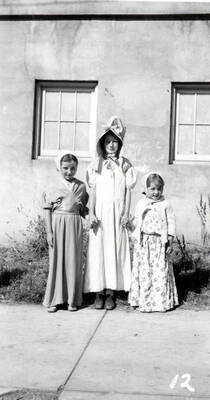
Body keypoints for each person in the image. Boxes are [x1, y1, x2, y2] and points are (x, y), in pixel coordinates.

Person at [84, 116, 136, 310]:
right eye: (107, 141)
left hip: (117, 213)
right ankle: (98, 291)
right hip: (100, 214)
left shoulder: (125, 164)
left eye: (114, 141)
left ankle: (111, 292)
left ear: (119, 143)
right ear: (102, 144)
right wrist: (92, 213)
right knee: (99, 249)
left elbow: (128, 190)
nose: (111, 145)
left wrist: (126, 213)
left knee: (115, 248)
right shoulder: (96, 164)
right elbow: (94, 190)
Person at [42, 152, 88, 313]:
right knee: (57, 261)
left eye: (73, 168)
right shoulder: (53, 185)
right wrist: (49, 232)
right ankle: (55, 299)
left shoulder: (81, 186)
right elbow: (47, 210)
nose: (69, 172)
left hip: (75, 224)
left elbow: (84, 209)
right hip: (57, 224)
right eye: (65, 168)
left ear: (77, 168)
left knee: (73, 261)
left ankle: (72, 299)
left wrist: (92, 217)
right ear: (59, 168)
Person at [129, 172, 179, 312]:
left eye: (159, 189)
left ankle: (160, 301)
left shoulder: (165, 204)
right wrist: (130, 227)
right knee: (145, 272)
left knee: (160, 271)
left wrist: (170, 239)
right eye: (152, 189)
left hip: (159, 243)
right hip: (145, 243)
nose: (156, 192)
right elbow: (136, 222)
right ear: (146, 188)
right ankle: (143, 300)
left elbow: (171, 222)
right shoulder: (141, 203)